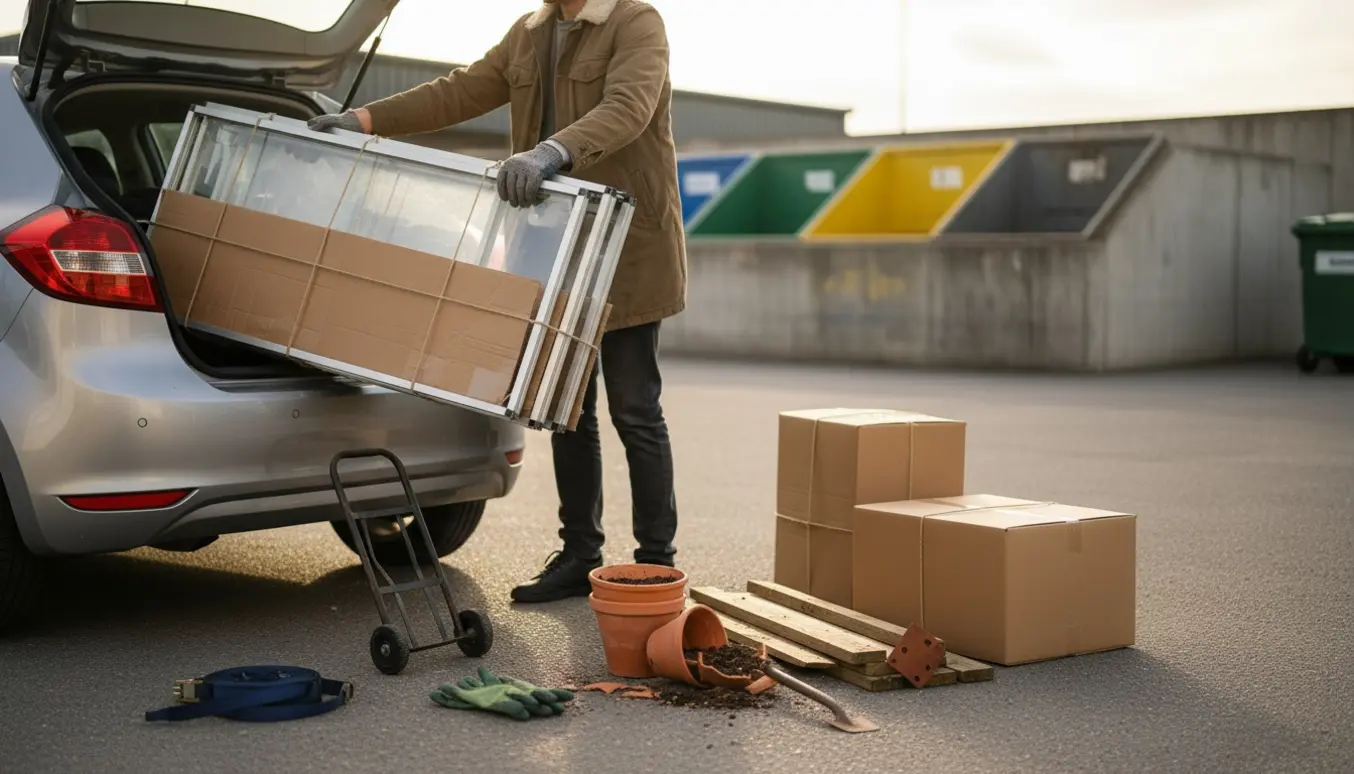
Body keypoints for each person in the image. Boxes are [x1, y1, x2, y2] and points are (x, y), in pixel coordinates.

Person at [308, 0, 686, 603]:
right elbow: (456, 93)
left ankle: (655, 568)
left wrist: (550, 153)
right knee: (566, 410)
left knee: (636, 410)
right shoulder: (529, 33)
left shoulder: (636, 21)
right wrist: (365, 120)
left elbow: (629, 109)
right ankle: (580, 556)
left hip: (625, 248)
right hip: (551, 249)